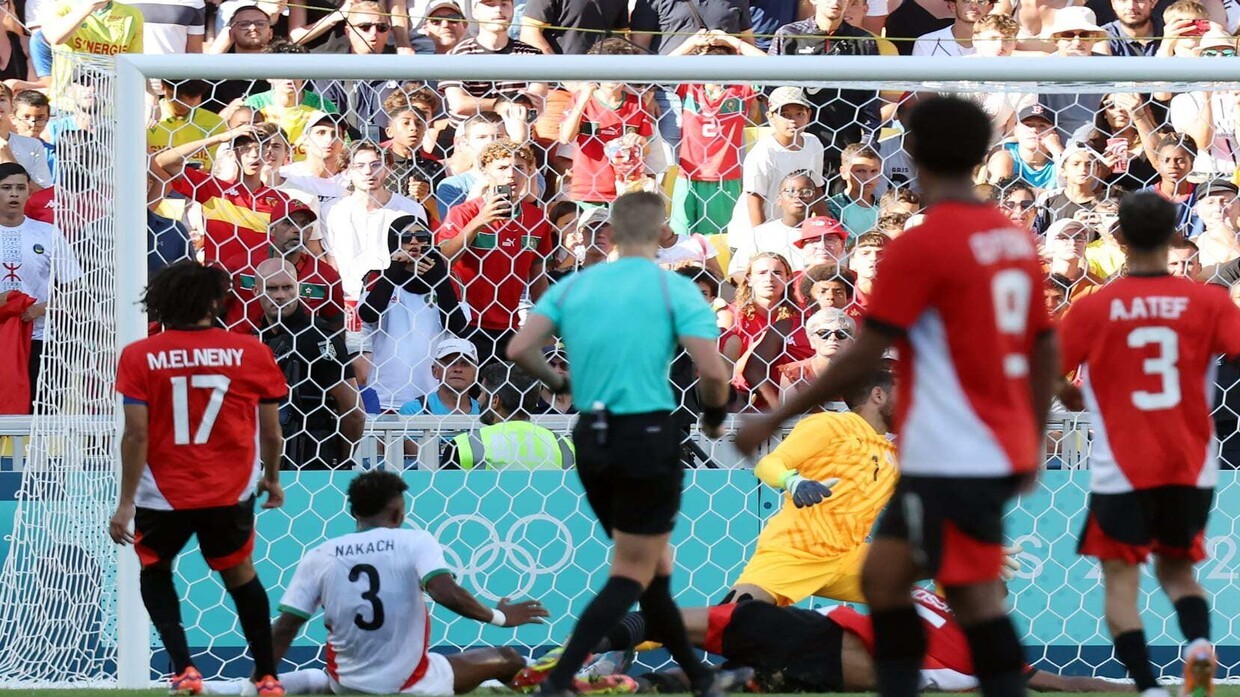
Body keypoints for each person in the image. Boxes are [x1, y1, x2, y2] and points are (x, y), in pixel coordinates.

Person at [736, 96, 1060, 697]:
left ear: (918, 158)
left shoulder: (920, 245)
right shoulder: (1012, 241)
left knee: (911, 578)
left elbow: (866, 349)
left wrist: (776, 416)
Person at [505, 191, 734, 697]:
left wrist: (559, 382)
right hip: (646, 434)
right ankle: (558, 681)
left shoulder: (575, 286)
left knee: (654, 565)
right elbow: (713, 372)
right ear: (660, 233)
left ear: (610, 231)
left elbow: (519, 348)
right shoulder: (674, 290)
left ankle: (701, 678)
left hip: (591, 435)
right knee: (634, 567)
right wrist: (716, 416)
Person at [1057, 191, 1240, 697]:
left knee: (1121, 581)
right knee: (1178, 570)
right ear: (1174, 237)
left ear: (1119, 240)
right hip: (1190, 460)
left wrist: (1068, 393)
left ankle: (1148, 686)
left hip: (1123, 464)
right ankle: (1198, 645)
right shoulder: (1209, 302)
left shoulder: (1095, 307)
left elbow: (1046, 368)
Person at [108, 261, 288, 697]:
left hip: (162, 491)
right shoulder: (251, 351)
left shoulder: (139, 355)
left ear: (161, 302)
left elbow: (135, 434)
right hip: (229, 488)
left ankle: (184, 669)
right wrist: (272, 477)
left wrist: (125, 502)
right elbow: (271, 432)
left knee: (155, 568)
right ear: (214, 302)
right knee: (241, 575)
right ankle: (267, 677)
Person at [258, 470, 562, 696]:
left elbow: (285, 627)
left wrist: (256, 681)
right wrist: (500, 617)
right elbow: (445, 592)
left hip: (346, 685)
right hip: (411, 683)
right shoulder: (414, 541)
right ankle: (558, 686)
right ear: (398, 513)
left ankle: (251, 687)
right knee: (508, 658)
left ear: (354, 512)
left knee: (323, 677)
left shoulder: (320, 554)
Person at [576, 587, 1130, 694]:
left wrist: (1135, 687)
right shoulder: (932, 598)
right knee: (705, 666)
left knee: (668, 625)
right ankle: (606, 670)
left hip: (816, 646)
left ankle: (592, 669)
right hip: (818, 663)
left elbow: (1065, 683)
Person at [727, 369, 896, 606]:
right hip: (798, 550)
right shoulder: (831, 425)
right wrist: (794, 482)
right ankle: (667, 628)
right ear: (878, 395)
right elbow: (768, 464)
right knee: (732, 616)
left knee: (942, 560)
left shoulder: (891, 454)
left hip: (849, 559)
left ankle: (943, 622)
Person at [437, 139, 553, 364]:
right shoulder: (464, 212)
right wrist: (478, 223)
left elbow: (538, 277)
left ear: (530, 171)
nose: (511, 174)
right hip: (463, 324)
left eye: (519, 167)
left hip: (509, 327)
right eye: (502, 167)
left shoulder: (537, 219)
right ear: (484, 172)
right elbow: (442, 260)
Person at [256, 258, 363, 471]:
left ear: (298, 289)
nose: (280, 295)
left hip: (313, 465)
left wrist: (341, 464)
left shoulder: (319, 338)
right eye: (272, 288)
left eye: (287, 287)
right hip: (266, 467)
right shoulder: (256, 339)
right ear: (256, 291)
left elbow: (353, 412)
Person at [0, 162, 82, 410]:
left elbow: (74, 286)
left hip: (39, 337)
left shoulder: (48, 233)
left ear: (30, 192)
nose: (14, 194)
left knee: (41, 411)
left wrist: (42, 308)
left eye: (20, 188)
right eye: (6, 188)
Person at [441, 363, 576, 469]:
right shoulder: (565, 447)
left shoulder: (464, 446)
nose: (478, 399)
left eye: (482, 392)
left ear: (495, 401)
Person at [777, 309, 857, 404]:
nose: (833, 338)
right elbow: (788, 411)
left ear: (851, 342)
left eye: (842, 334)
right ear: (812, 340)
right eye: (824, 333)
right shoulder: (795, 372)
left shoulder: (861, 373)